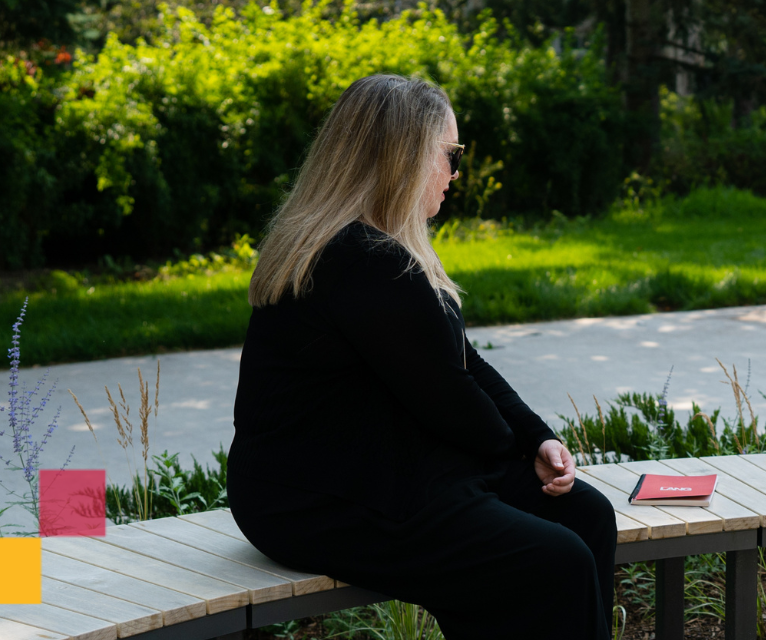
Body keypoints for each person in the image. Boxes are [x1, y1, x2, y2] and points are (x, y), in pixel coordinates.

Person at [229, 74, 615, 638]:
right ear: (402, 158)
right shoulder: (361, 259)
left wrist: (536, 439)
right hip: (315, 497)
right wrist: (512, 454)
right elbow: (451, 401)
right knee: (554, 561)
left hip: (376, 467)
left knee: (585, 513)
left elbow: (462, 360)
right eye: (449, 155)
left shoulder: (378, 247)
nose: (456, 173)